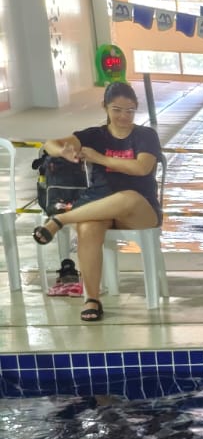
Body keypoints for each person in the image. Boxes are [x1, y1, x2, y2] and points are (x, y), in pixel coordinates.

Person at [33, 82, 163, 323]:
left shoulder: (145, 136)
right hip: (99, 203)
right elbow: (50, 144)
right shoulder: (94, 135)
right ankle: (92, 299)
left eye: (130, 111)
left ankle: (60, 220)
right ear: (105, 107)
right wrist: (63, 152)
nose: (124, 116)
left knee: (129, 197)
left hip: (140, 210)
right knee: (87, 227)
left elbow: (141, 168)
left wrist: (100, 158)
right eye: (117, 110)